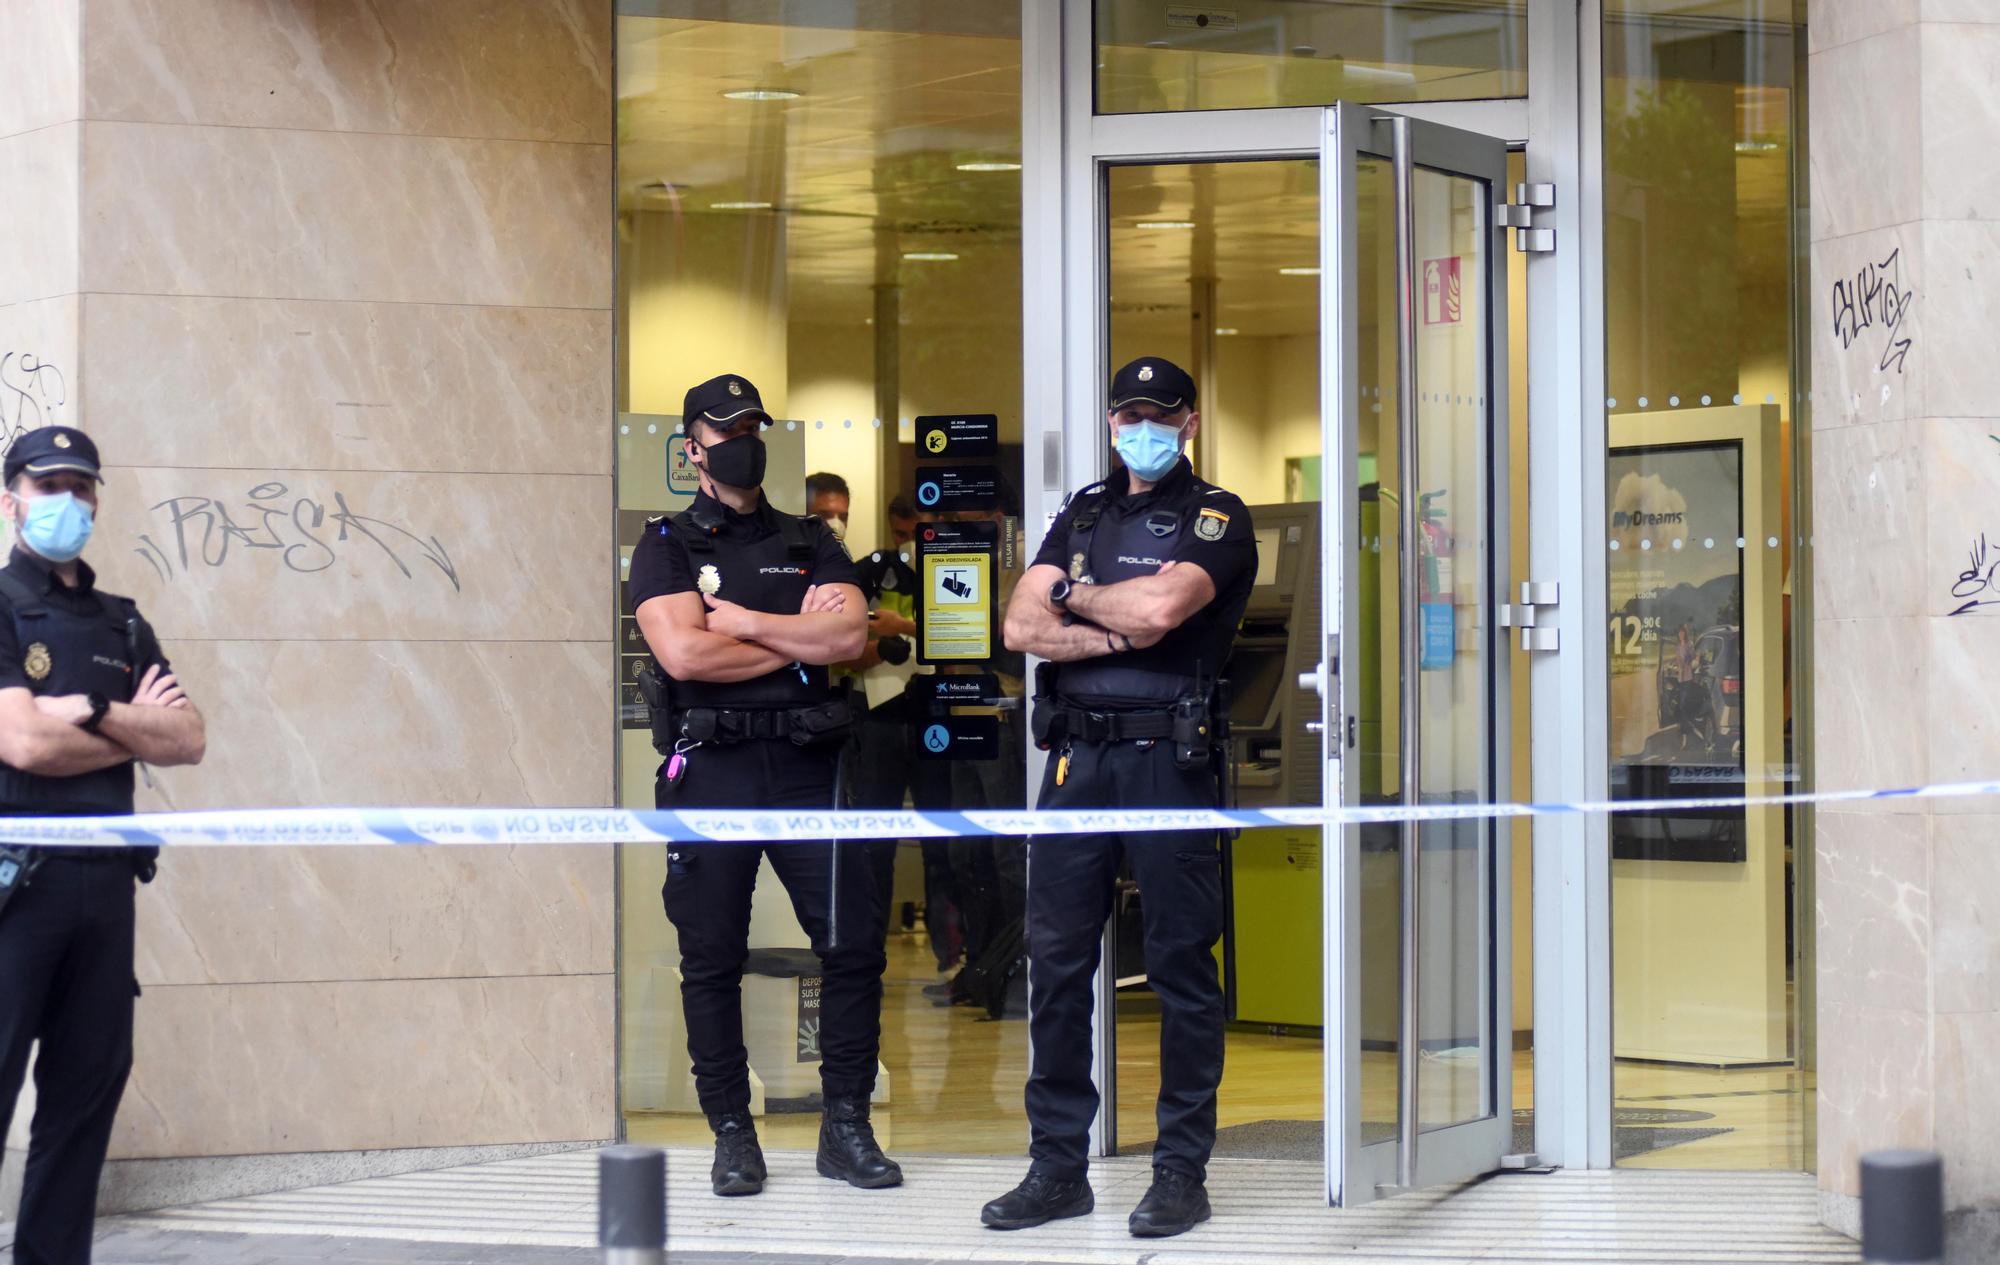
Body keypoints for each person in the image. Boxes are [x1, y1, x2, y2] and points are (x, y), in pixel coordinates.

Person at [982, 357, 1255, 1239]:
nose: (1144, 429)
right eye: (1130, 415)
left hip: (1167, 760)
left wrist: (1074, 598)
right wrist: (1109, 621)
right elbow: (1020, 625)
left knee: (1181, 967)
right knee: (1057, 964)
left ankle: (1179, 1171)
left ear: (1189, 422)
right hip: (1077, 762)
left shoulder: (1217, 517)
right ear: (1111, 424)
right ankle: (1057, 1167)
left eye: (1160, 415)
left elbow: (1160, 611)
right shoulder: (1083, 513)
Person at [629, 375, 900, 1199]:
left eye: (753, 427)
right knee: (710, 954)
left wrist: (745, 623)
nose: (743, 441)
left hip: (812, 763)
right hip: (714, 765)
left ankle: (845, 1127)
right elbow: (685, 655)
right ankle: (732, 1133)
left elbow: (849, 636)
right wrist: (798, 639)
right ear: (693, 449)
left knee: (852, 944)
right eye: (727, 430)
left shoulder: (812, 538)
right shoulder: (667, 544)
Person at [0, 426, 207, 1265]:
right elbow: (22, 744)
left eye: (81, 487)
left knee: (86, 1093)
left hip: (106, 886)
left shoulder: (122, 623)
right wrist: (130, 731)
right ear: (11, 499)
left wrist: (87, 711)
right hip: (17, 886)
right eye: (49, 486)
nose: (68, 501)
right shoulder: (2, 607)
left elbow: (188, 737)